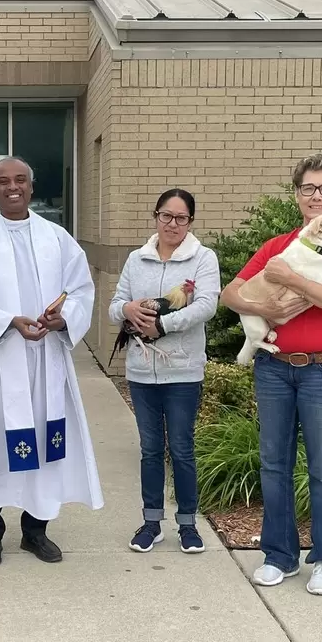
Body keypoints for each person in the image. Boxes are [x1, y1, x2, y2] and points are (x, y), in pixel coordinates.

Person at [0, 156, 104, 567]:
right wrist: (9, 321)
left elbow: (81, 289)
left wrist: (65, 318)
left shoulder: (58, 238)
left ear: (31, 187)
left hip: (46, 361)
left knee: (44, 445)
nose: (13, 187)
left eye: (20, 180)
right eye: (3, 181)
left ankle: (35, 531)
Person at [220, 151, 322, 596]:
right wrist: (262, 305)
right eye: (308, 188)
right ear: (298, 195)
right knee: (274, 465)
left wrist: (292, 279)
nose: (317, 196)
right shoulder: (276, 245)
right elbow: (230, 293)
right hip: (275, 369)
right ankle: (278, 555)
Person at [109, 189, 220, 554]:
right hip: (142, 372)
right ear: (156, 216)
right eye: (165, 216)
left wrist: (164, 325)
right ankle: (151, 522)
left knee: (183, 449)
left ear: (191, 221)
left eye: (181, 218)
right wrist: (127, 310)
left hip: (184, 372)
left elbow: (206, 305)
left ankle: (188, 524)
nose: (172, 224)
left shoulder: (203, 258)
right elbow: (114, 305)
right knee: (150, 449)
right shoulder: (135, 259)